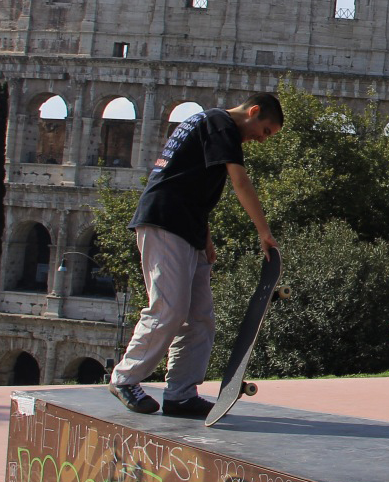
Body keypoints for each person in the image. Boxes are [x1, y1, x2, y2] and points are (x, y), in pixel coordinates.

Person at [109, 95, 284, 418]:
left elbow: (189, 184)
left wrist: (205, 238)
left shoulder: (209, 126)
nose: (261, 139)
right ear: (253, 112)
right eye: (266, 130)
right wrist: (263, 231)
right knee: (169, 308)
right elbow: (240, 182)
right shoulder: (220, 124)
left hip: (188, 228)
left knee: (200, 318)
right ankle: (125, 377)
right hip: (165, 222)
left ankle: (181, 394)